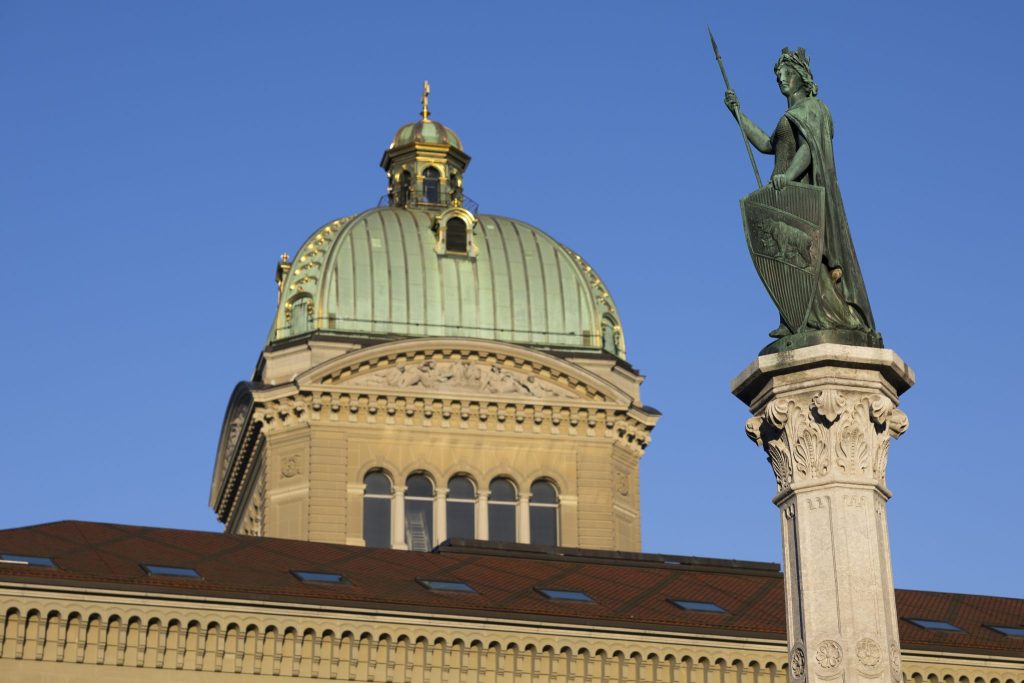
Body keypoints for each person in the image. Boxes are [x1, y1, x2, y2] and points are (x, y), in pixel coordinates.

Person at [725, 48, 876, 339]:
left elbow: (809, 149)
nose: (781, 79)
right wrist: (738, 114)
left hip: (801, 192)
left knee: (808, 256)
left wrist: (787, 176)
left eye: (787, 74)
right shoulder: (789, 116)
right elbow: (768, 145)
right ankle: (795, 319)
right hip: (784, 192)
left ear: (802, 77)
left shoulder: (814, 109)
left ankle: (826, 317)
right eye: (778, 75)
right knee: (787, 259)